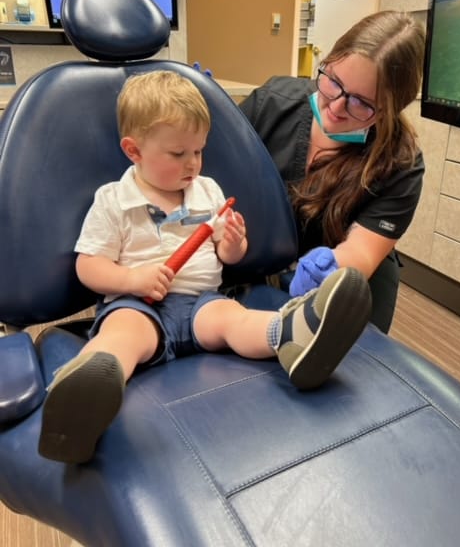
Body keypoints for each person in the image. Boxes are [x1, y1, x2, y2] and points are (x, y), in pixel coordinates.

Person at [38, 70, 372, 464]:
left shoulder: (207, 191)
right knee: (124, 336)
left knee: (232, 319)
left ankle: (292, 336)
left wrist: (233, 243)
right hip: (137, 304)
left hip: (201, 302)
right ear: (134, 151)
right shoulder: (114, 200)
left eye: (198, 151)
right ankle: (87, 391)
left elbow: (229, 258)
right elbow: (88, 266)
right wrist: (131, 278)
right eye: (178, 154)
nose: (192, 164)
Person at [239, 10, 426, 334]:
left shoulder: (399, 162)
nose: (337, 107)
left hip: (351, 282)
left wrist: (332, 269)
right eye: (334, 82)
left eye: (362, 103)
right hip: (260, 262)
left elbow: (361, 252)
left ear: (392, 109)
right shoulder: (272, 103)